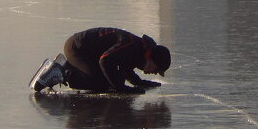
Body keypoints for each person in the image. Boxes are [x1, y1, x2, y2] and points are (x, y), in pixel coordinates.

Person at [30, 27, 171, 94]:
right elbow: (105, 60)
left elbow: (125, 69)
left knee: (111, 81)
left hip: (89, 54)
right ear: (151, 58)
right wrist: (120, 88)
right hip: (77, 49)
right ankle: (62, 72)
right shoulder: (131, 45)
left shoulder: (138, 50)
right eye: (156, 69)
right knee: (101, 84)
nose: (155, 73)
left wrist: (139, 83)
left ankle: (66, 68)